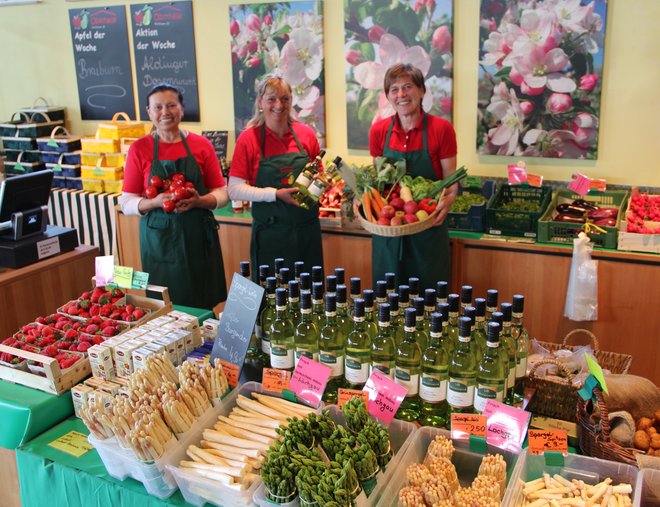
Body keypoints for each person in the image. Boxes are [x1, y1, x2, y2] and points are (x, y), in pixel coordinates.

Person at [120, 83, 228, 309]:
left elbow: (222, 193)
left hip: (197, 235)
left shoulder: (202, 145)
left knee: (202, 302)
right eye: (157, 107)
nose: (165, 112)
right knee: (165, 307)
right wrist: (155, 202)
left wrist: (200, 201)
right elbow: (126, 201)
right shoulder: (139, 149)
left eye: (171, 105)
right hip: (159, 241)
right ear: (149, 112)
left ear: (181, 109)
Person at [369, 63, 458, 289]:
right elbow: (378, 182)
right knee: (387, 300)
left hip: (428, 229)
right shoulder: (378, 131)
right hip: (389, 229)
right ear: (388, 96)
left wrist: (448, 201)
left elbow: (452, 181)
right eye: (394, 89)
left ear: (421, 91)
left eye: (408, 87)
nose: (401, 95)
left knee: (430, 302)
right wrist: (363, 198)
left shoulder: (442, 129)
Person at [228, 74, 324, 277]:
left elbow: (319, 175)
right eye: (271, 99)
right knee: (273, 299)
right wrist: (276, 194)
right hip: (271, 237)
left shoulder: (306, 134)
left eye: (285, 99)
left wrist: (322, 185)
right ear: (260, 102)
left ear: (291, 101)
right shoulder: (249, 139)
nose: (279, 105)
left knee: (309, 299)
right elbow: (234, 189)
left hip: (307, 233)